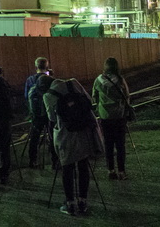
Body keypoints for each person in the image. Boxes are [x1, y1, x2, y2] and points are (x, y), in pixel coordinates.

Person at [44, 77, 102, 216]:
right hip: (83, 132)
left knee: (67, 169)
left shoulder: (48, 95)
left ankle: (70, 203)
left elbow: (52, 118)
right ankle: (83, 201)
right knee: (83, 166)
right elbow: (89, 102)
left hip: (65, 135)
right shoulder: (74, 83)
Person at [92, 57, 131, 180]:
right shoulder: (120, 79)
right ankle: (121, 171)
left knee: (108, 144)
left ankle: (110, 170)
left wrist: (100, 107)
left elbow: (94, 97)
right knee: (120, 145)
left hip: (105, 117)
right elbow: (127, 95)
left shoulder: (98, 80)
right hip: (119, 116)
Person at [23, 57, 51, 167]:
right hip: (48, 112)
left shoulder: (30, 80)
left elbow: (26, 96)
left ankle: (33, 160)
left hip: (36, 113)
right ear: (47, 67)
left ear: (36, 67)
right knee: (52, 135)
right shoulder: (50, 79)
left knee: (34, 137)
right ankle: (55, 160)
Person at [28, 73, 59, 169]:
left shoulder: (32, 91)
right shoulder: (48, 91)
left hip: (37, 117)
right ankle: (56, 162)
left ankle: (32, 160)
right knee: (53, 138)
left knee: (34, 139)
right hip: (45, 116)